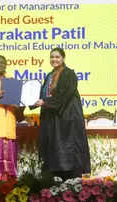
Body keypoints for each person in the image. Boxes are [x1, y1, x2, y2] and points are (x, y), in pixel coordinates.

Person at [34, 47, 90, 180]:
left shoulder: (69, 74)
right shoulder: (50, 75)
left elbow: (64, 95)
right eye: (52, 57)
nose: (54, 59)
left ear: (63, 58)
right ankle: (54, 184)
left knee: (67, 151)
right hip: (52, 118)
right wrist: (30, 101)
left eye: (57, 57)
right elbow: (42, 95)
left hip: (66, 118)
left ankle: (71, 185)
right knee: (52, 150)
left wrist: (45, 102)